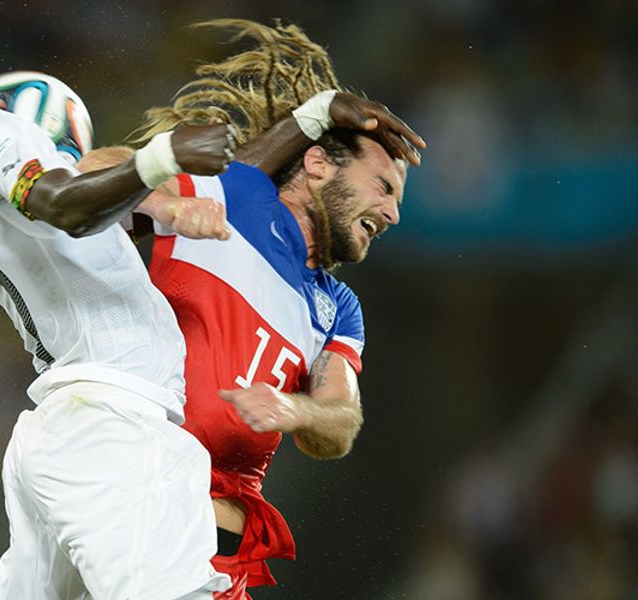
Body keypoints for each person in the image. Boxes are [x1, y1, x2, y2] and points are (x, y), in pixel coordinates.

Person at [80, 19, 426, 599]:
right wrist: (164, 206)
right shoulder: (233, 197)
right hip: (131, 484)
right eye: (383, 187)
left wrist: (294, 409)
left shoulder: (339, 309)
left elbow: (340, 422)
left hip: (217, 539)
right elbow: (93, 172)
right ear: (318, 166)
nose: (392, 214)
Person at [0, 82, 239, 599]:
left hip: (69, 423)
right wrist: (164, 156)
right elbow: (62, 203)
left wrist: (157, 207)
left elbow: (83, 225)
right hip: (109, 422)